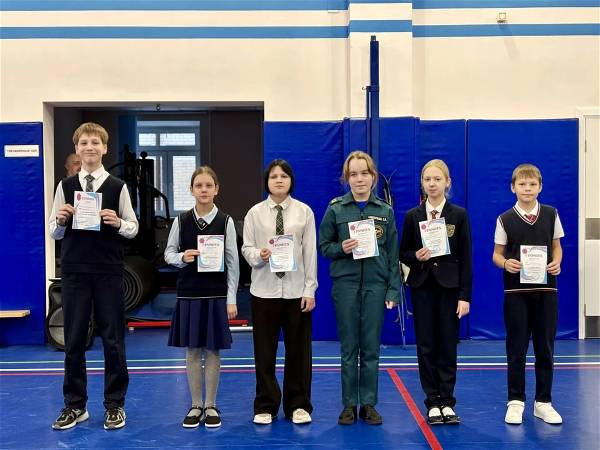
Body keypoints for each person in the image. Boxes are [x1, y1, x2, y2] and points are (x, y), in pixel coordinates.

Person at [48, 122, 139, 430]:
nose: (89, 147)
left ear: (105, 148)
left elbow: (133, 227)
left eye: (95, 142)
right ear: (76, 148)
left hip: (108, 271)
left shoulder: (117, 186)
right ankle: (75, 405)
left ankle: (115, 404)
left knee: (113, 340)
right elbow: (53, 231)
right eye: (84, 142)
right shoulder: (65, 186)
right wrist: (61, 220)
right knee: (74, 340)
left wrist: (118, 222)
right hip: (74, 271)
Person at [319, 150, 400, 426]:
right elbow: (324, 246)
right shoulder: (336, 209)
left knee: (371, 349)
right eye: (353, 174)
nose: (359, 179)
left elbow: (393, 255)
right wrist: (340, 248)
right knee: (349, 348)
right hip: (345, 286)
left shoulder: (385, 211)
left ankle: (368, 403)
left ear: (373, 176)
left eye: (364, 173)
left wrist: (393, 291)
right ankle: (348, 404)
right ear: (347, 179)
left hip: (376, 287)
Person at [242, 159, 317, 426]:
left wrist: (310, 289)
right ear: (267, 181)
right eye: (274, 176)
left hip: (297, 292)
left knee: (299, 352)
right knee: (264, 353)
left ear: (291, 180)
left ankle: (298, 405)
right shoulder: (254, 213)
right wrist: (258, 255)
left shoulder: (304, 212)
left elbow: (310, 252)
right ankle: (266, 405)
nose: (279, 180)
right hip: (264, 292)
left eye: (284, 176)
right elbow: (246, 248)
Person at [399, 159, 472, 425]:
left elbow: (466, 257)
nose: (432, 184)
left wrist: (465, 296)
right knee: (426, 345)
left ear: (447, 182)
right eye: (427, 179)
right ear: (422, 183)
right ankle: (432, 401)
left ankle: (447, 401)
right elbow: (403, 252)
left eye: (437, 179)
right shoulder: (412, 216)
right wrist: (415, 256)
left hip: (450, 289)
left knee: (447, 345)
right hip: (422, 288)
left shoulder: (459, 215)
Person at [165, 166, 239, 429]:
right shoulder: (181, 221)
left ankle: (211, 405)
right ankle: (196, 405)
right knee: (193, 350)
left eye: (209, 185)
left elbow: (233, 262)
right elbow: (168, 254)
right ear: (191, 190)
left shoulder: (226, 221)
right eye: (199, 185)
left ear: (216, 189)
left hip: (216, 294)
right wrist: (182, 257)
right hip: (189, 294)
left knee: (213, 349)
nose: (204, 190)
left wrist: (231, 298)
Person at [492, 163, 564, 425]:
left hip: (546, 291)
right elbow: (496, 254)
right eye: (522, 184)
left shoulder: (551, 214)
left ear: (540, 187)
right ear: (513, 188)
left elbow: (557, 247)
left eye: (532, 184)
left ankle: (543, 402)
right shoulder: (504, 219)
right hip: (516, 293)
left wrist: (557, 262)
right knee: (517, 348)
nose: (527, 188)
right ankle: (516, 401)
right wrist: (505, 263)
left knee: (545, 348)